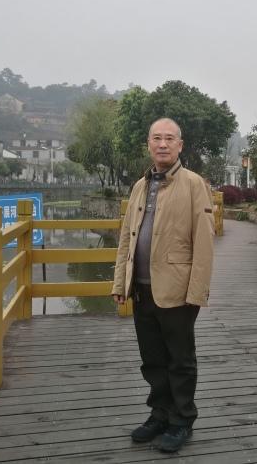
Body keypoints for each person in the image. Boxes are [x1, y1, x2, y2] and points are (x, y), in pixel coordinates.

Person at [112, 117, 214, 453]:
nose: (163, 144)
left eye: (170, 138)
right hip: (142, 289)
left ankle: (181, 419)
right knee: (152, 359)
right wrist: (120, 283)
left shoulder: (193, 184)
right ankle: (160, 414)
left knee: (180, 359)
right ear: (149, 144)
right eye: (157, 138)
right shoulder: (140, 186)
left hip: (177, 290)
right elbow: (127, 239)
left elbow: (204, 242)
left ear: (180, 145)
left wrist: (197, 291)